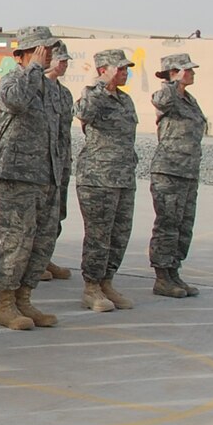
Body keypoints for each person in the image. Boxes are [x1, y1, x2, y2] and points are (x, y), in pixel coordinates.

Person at [0, 28, 63, 329]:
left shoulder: (51, 89)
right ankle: (5, 304)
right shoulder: (13, 81)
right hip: (18, 177)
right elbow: (16, 102)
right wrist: (33, 67)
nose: (46, 56)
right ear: (21, 55)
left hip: (47, 177)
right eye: (40, 50)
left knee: (40, 244)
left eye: (48, 50)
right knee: (17, 242)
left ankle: (24, 299)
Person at [74, 48, 139, 312]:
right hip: (98, 178)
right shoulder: (93, 95)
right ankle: (92, 287)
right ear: (103, 70)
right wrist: (100, 85)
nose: (125, 72)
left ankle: (107, 282)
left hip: (123, 177)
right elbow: (83, 112)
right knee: (98, 236)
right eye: (120, 68)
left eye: (126, 68)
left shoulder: (126, 101)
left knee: (119, 234)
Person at [148, 51, 207, 297]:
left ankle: (174, 271)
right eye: (187, 69)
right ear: (174, 73)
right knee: (168, 224)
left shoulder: (189, 101)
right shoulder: (168, 96)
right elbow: (159, 100)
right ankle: (162, 276)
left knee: (184, 225)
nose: (192, 73)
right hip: (169, 170)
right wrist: (171, 82)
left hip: (188, 172)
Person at [42, 43, 76, 282]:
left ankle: (45, 257)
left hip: (60, 161)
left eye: (66, 61)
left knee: (56, 214)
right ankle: (34, 261)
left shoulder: (64, 93)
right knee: (39, 216)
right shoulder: (37, 87)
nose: (64, 64)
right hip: (41, 163)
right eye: (60, 60)